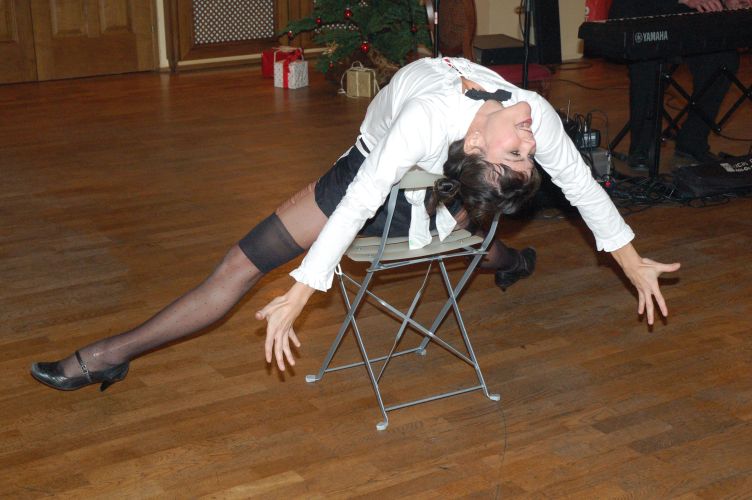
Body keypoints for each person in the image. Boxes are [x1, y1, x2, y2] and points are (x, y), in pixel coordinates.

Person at [30, 57, 680, 390]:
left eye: (521, 154)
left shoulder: (475, 122)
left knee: (249, 264)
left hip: (404, 184)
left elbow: (580, 189)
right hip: (383, 170)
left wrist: (632, 263)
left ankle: (103, 358)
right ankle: (505, 258)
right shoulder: (507, 112)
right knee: (241, 266)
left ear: (480, 148)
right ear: (475, 144)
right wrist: (303, 287)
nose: (532, 142)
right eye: (524, 153)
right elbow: (365, 193)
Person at [609, 0, 748, 170]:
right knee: (648, 60)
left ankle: (692, 141)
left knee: (723, 59)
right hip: (641, 15)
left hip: (686, 20)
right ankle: (642, 149)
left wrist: (731, 2)